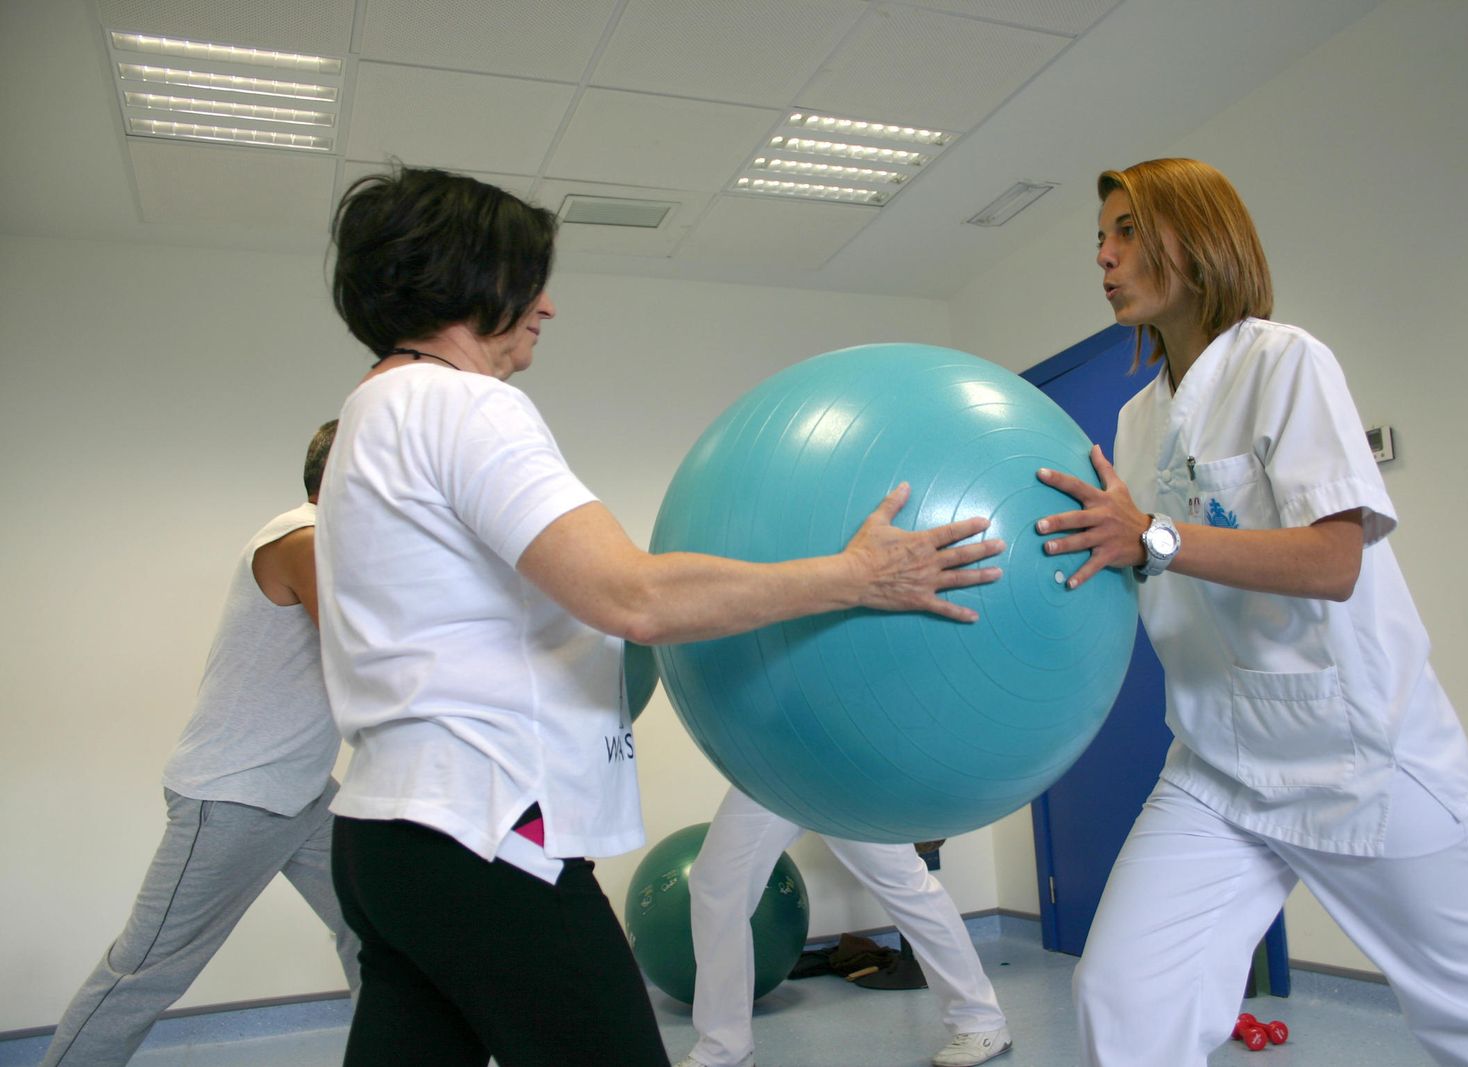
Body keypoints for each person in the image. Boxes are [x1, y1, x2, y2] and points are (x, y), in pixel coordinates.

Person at [316, 165, 1005, 1067]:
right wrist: (856, 576)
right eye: (529, 279)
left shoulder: (370, 412)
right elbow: (634, 597)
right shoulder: (464, 404)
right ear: (469, 278)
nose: (547, 305)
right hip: (485, 829)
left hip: (386, 836)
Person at [1032, 157, 1468, 1067]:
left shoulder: (1285, 363)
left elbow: (1333, 561)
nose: (1105, 255)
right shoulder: (1135, 422)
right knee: (1124, 995)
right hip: (1218, 762)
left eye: (1128, 230)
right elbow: (1138, 563)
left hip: (1361, 751)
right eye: (1099, 237)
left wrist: (1155, 537)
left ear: (1197, 236)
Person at [40, 420, 359, 1067]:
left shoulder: (338, 549)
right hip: (233, 795)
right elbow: (367, 654)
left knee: (379, 931)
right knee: (145, 971)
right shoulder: (299, 538)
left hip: (301, 794)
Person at [676, 787, 1011, 1067]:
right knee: (715, 883)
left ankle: (980, 1020)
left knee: (902, 884)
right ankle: (724, 1047)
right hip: (770, 760)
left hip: (841, 761)